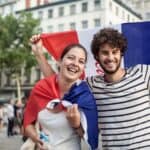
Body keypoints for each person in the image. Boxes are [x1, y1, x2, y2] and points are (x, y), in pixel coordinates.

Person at [31, 28, 150, 150]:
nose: (110, 57)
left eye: (115, 52)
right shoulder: (91, 85)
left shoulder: (142, 73)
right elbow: (60, 82)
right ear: (97, 57)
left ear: (121, 53)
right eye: (105, 53)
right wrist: (39, 54)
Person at [23, 41, 99, 150]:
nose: (75, 63)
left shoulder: (85, 97)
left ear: (83, 68)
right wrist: (36, 138)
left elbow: (91, 140)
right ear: (59, 61)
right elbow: (28, 124)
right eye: (71, 58)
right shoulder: (41, 89)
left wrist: (76, 125)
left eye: (81, 61)